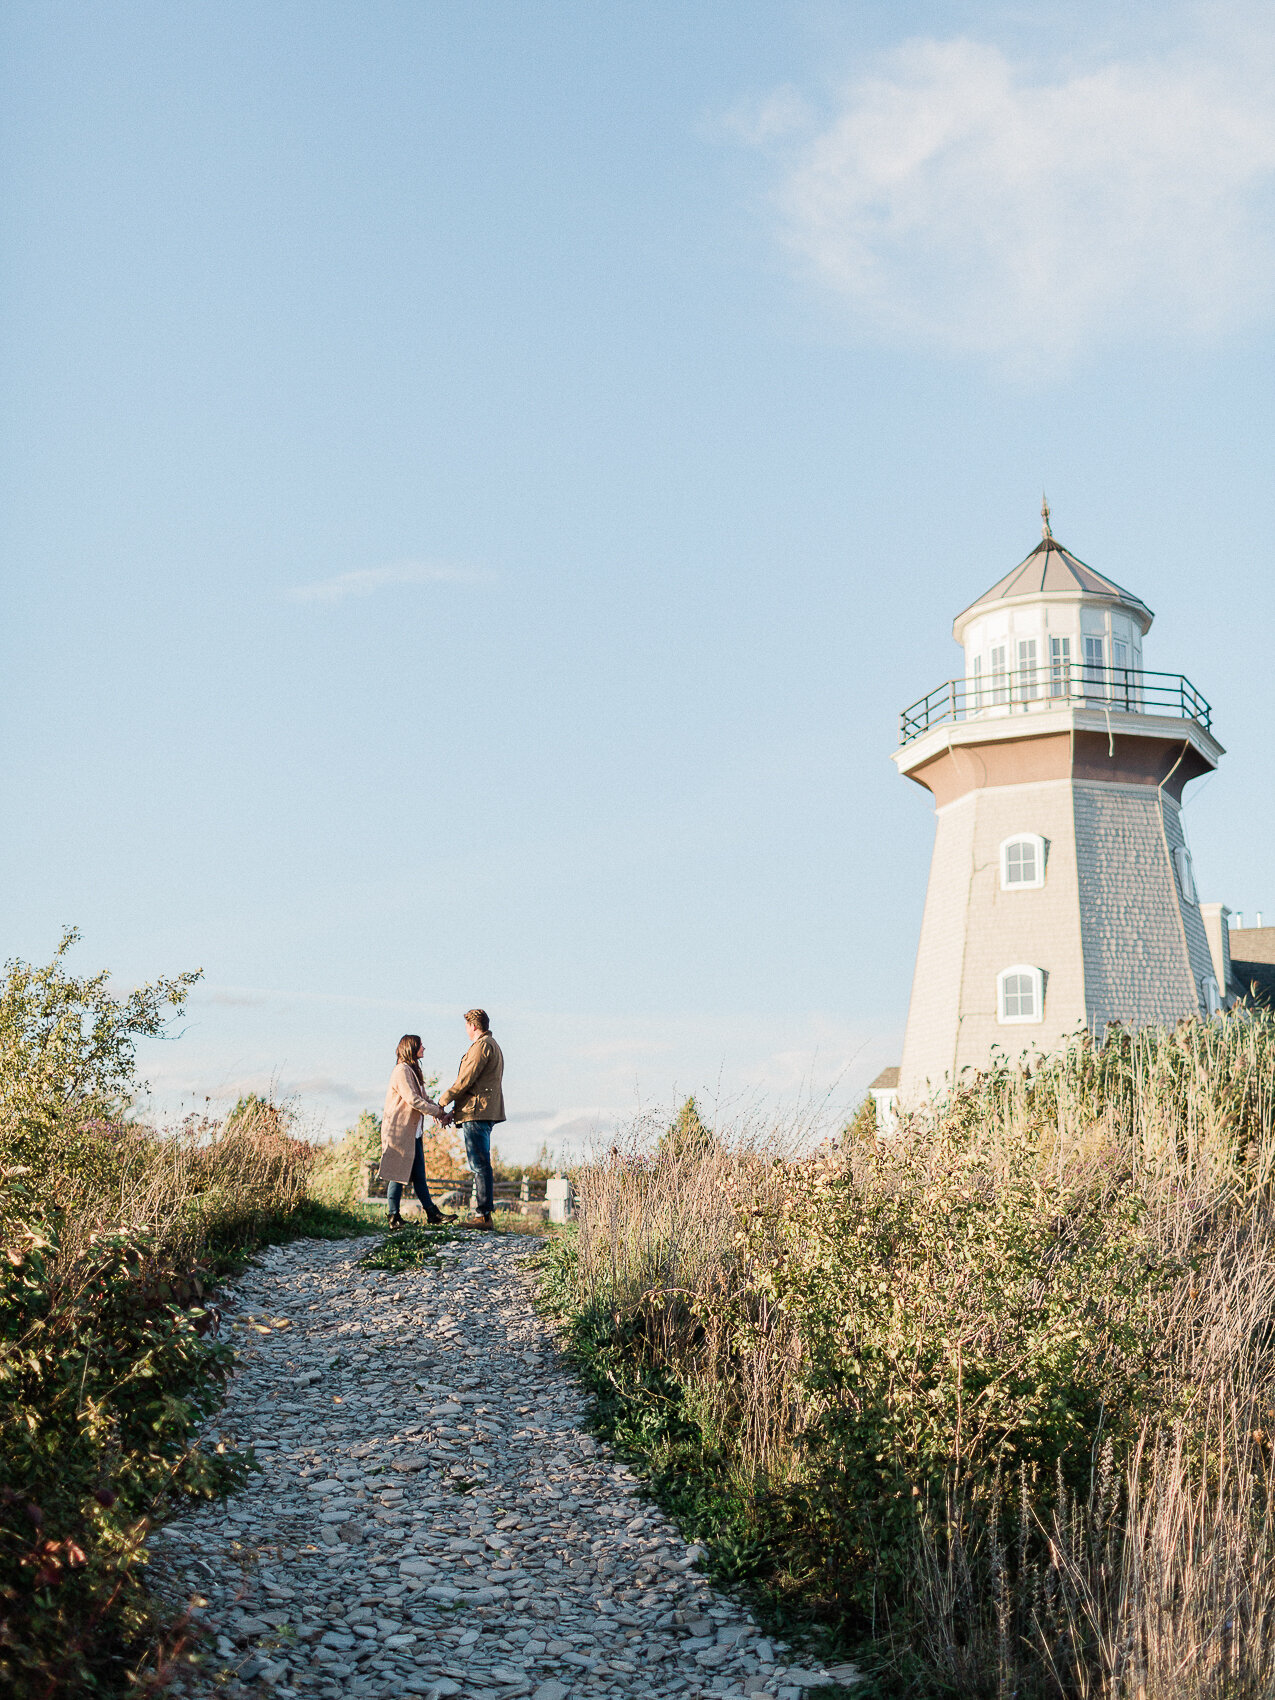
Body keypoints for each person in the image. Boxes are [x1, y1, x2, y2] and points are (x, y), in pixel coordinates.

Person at [438, 1009, 505, 1230]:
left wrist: (442, 1101)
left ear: (473, 1026)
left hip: (478, 1111)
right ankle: (483, 1214)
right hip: (478, 1110)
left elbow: (466, 1080)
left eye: (467, 1026)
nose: (466, 1030)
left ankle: (483, 1216)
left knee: (479, 1165)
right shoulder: (490, 1044)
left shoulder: (482, 1046)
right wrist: (454, 1113)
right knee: (481, 1164)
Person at [379, 1034, 454, 1229]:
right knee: (397, 1173)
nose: (424, 1048)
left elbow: (425, 1098)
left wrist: (440, 1112)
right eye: (421, 1045)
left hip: (413, 1132)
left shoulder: (413, 1070)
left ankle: (432, 1214)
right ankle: (394, 1217)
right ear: (411, 1048)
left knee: (419, 1175)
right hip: (400, 1131)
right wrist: (438, 1112)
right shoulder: (401, 1071)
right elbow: (413, 1099)